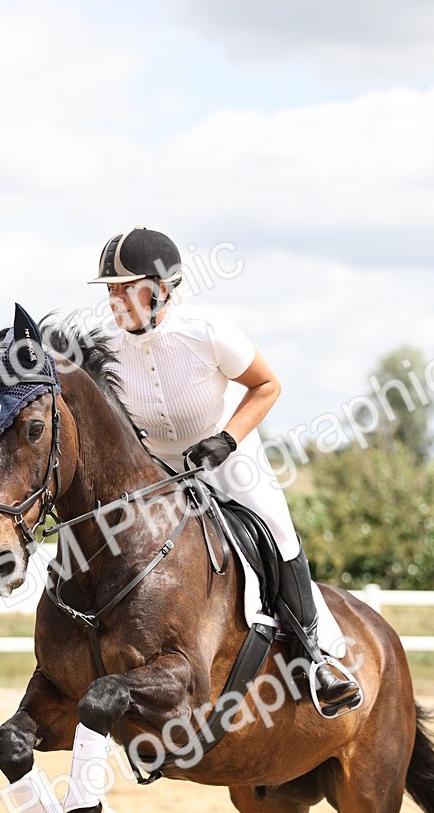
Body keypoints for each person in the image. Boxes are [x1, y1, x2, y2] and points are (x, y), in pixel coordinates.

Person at [89, 225, 360, 714]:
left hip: (229, 457)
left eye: (124, 289)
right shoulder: (104, 344)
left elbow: (267, 386)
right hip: (157, 471)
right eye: (110, 290)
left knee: (277, 528)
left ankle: (317, 657)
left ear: (160, 288)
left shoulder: (206, 329)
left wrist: (227, 439)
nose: (115, 301)